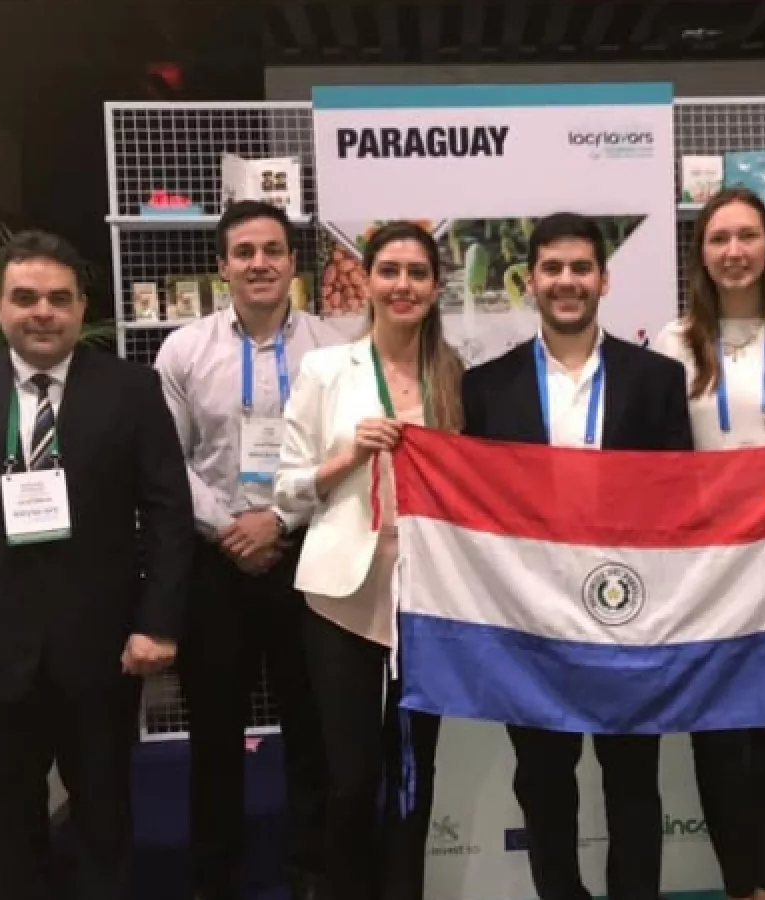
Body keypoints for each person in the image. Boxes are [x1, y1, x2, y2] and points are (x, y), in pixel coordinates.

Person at [0, 229, 195, 900]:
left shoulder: (131, 390)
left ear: (82, 307)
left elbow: (169, 514)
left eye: (59, 298)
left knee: (106, 827)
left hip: (105, 652)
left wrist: (159, 623)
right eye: (25, 297)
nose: (43, 312)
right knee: (10, 833)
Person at [461, 212, 694, 900]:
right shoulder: (486, 387)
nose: (568, 281)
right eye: (553, 268)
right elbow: (474, 508)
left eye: (581, 268)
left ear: (604, 280)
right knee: (542, 782)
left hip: (630, 614)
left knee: (633, 781)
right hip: (531, 622)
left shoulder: (656, 378)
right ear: (530, 280)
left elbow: (677, 499)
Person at [651, 187, 765, 900]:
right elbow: (666, 461)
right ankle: (739, 883)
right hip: (705, 566)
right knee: (716, 731)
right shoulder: (674, 342)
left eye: (748, 236)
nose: (734, 251)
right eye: (719, 238)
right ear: (700, 254)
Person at [152, 200, 336, 900]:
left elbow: (340, 457)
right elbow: (167, 460)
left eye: (273, 250)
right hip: (216, 561)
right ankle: (216, 877)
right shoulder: (184, 350)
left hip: (307, 555)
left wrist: (279, 521)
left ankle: (313, 871)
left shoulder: (333, 348)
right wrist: (231, 527)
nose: (260, 263)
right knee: (215, 729)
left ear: (293, 263)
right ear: (222, 266)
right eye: (245, 252)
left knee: (312, 722)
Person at [275, 220, 462, 900]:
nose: (403, 285)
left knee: (414, 773)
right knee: (350, 776)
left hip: (427, 598)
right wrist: (350, 456)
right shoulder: (327, 370)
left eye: (417, 273)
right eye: (390, 271)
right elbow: (287, 490)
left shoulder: (454, 374)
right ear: (368, 281)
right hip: (341, 596)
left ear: (435, 286)